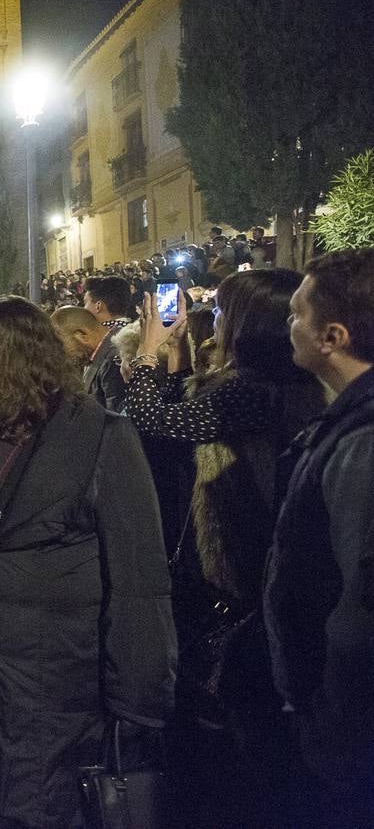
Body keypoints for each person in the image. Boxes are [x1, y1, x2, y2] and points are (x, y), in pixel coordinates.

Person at [0, 296, 175, 828]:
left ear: (16, 356)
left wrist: (137, 706)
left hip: (54, 696)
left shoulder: (101, 437)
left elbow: (139, 583)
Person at [124, 270, 325, 826]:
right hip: (263, 578)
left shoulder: (248, 391)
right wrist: (177, 358)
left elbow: (154, 422)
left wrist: (145, 355)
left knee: (227, 745)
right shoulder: (287, 389)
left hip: (234, 582)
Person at [265, 249, 374, 824]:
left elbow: (361, 602)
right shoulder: (345, 423)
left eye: (296, 313)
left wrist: (328, 721)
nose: (289, 325)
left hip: (346, 739)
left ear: (332, 335)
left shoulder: (362, 441)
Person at [52, 305, 128, 412]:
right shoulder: (93, 356)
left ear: (82, 335)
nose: (60, 354)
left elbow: (116, 420)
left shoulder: (114, 360)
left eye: (60, 345)